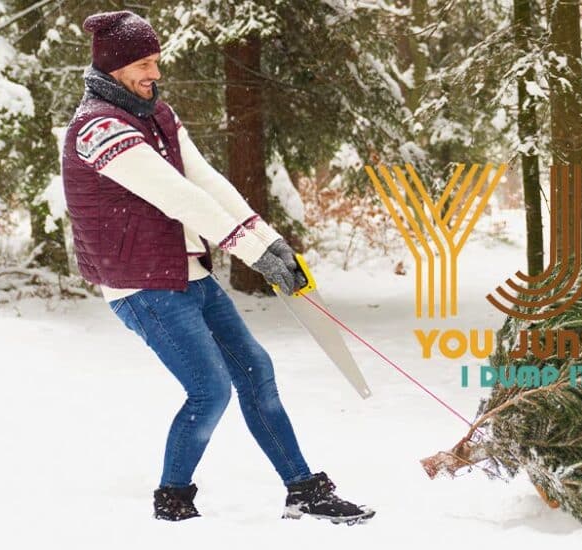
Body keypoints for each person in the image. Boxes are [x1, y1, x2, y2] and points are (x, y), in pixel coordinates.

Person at [60, 10, 374, 525]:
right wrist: (250, 253)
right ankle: (173, 500)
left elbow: (205, 180)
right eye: (143, 63)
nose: (153, 74)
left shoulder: (156, 113)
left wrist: (271, 244)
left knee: (256, 372)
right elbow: (176, 195)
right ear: (114, 67)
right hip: (141, 285)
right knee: (209, 390)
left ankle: (303, 489)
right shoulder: (95, 129)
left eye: (156, 62)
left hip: (190, 274)